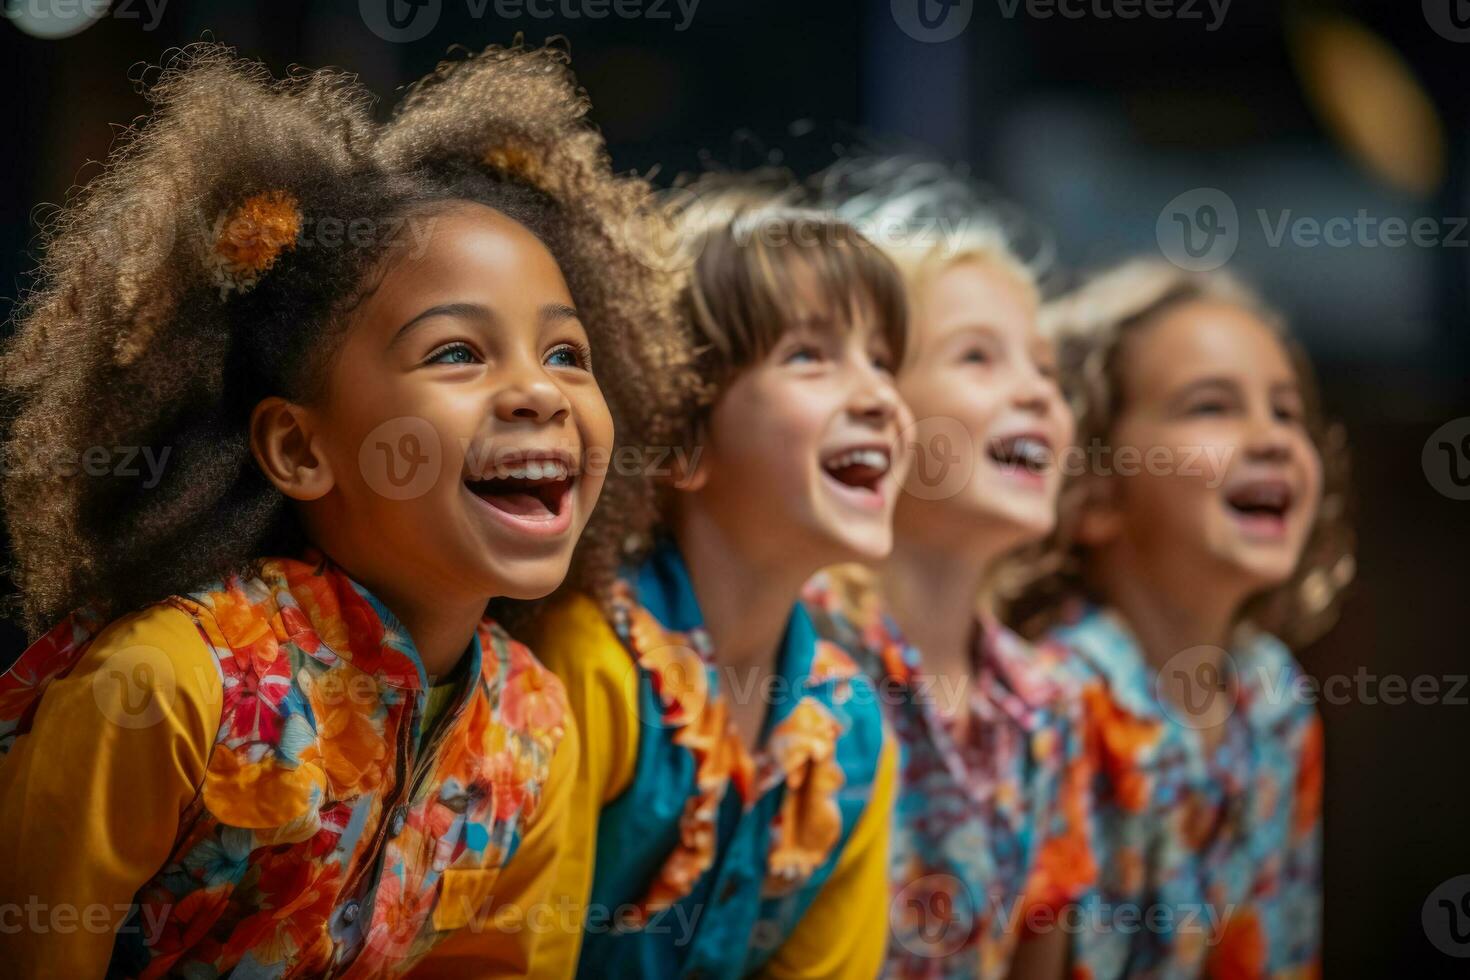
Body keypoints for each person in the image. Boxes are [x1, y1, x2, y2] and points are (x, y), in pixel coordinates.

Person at [0, 41, 689, 978]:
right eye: (456, 353)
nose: (542, 393)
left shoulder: (534, 728)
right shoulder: (166, 690)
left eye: (568, 354)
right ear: (299, 448)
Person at [528, 177, 909, 978]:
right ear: (679, 440)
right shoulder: (588, 666)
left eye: (882, 360)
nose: (879, 396)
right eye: (810, 356)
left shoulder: (852, 731)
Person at [1014, 259, 1354, 978]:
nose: (1271, 438)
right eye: (1212, 407)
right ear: (1092, 486)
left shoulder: (1273, 699)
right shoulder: (1057, 707)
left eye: (1287, 412)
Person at [803, 159, 1095, 979]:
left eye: (1046, 368)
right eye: (979, 357)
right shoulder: (798, 652)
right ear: (872, 398)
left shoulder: (1048, 705)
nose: (1038, 394)